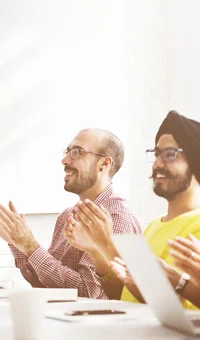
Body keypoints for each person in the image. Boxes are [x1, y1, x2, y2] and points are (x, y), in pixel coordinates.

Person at [0, 129, 143, 299]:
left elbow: (89, 294)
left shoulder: (118, 218)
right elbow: (45, 285)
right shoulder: (66, 216)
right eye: (67, 152)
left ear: (104, 164)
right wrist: (18, 244)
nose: (64, 160)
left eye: (77, 152)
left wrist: (31, 247)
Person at [66, 111, 200, 308]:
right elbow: (123, 296)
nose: (157, 164)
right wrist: (97, 249)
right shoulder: (154, 226)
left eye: (170, 155)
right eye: (156, 154)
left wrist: (107, 245)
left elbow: (169, 308)